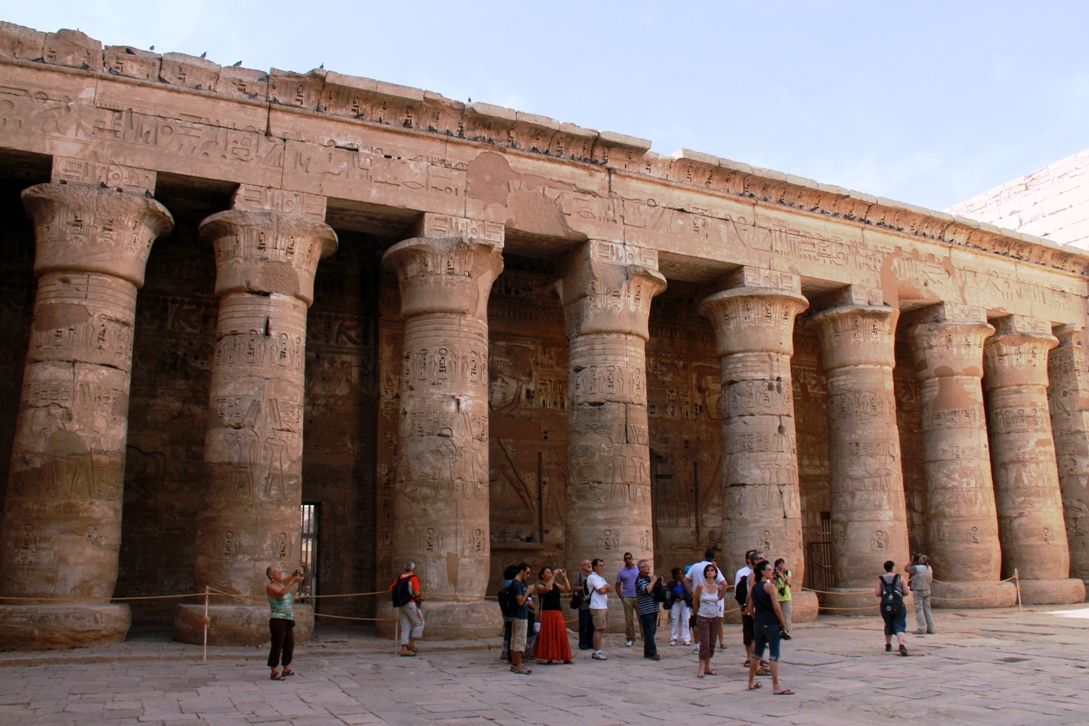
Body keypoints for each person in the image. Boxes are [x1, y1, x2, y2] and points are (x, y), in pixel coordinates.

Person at [746, 559, 794, 695]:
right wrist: (782, 622)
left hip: (759, 623)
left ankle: (750, 682)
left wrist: (757, 619)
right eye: (768, 569)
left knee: (757, 653)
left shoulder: (754, 588)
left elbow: (750, 608)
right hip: (771, 623)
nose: (771, 571)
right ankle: (776, 686)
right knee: (774, 655)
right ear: (762, 572)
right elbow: (776, 606)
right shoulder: (770, 587)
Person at [266, 563, 304, 681]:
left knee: (289, 644)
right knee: (277, 645)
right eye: (277, 572)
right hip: (278, 620)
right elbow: (281, 593)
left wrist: (296, 572)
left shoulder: (281, 584)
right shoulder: (270, 587)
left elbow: (290, 577)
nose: (280, 574)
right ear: (271, 575)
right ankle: (273, 670)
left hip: (287, 619)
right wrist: (293, 583)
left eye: (280, 572)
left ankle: (286, 667)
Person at [684, 548, 725, 656]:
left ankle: (697, 645)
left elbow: (685, 580)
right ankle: (705, 645)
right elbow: (724, 583)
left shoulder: (695, 566)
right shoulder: (714, 568)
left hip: (698, 597)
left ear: (704, 556)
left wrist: (691, 593)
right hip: (710, 597)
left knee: (697, 622)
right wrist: (720, 597)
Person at [693, 563, 727, 678]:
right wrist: (697, 613)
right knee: (705, 642)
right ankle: (701, 668)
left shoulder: (718, 587)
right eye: (708, 570)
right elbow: (695, 600)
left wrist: (722, 590)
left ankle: (707, 667)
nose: (710, 572)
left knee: (712, 642)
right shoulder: (701, 586)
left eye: (712, 570)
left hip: (714, 617)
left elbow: (724, 588)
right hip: (703, 617)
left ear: (716, 573)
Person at [533, 566, 573, 665]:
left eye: (551, 572)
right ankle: (549, 656)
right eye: (547, 573)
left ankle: (565, 656)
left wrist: (564, 577)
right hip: (546, 612)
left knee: (560, 633)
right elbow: (547, 589)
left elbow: (567, 588)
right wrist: (554, 576)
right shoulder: (540, 586)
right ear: (542, 575)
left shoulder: (556, 585)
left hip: (557, 612)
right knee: (548, 634)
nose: (550, 574)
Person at [735, 549, 767, 670]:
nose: (763, 560)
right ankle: (755, 662)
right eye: (761, 558)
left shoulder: (762, 575)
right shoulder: (753, 576)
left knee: (761, 636)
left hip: (761, 609)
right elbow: (750, 595)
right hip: (754, 609)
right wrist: (748, 609)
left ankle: (759, 660)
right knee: (753, 636)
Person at [875, 559, 910, 656]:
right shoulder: (900, 577)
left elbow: (877, 593)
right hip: (898, 604)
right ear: (893, 568)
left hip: (886, 605)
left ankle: (888, 645)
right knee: (900, 623)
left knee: (888, 623)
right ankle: (901, 645)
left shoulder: (880, 579)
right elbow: (906, 592)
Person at [390, 562, 424, 657]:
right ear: (413, 569)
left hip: (401, 605)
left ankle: (403, 649)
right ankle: (411, 643)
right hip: (411, 604)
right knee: (420, 623)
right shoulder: (413, 578)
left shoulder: (399, 578)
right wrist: (419, 594)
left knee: (405, 627)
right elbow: (417, 593)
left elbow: (391, 589)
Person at [634, 559, 662, 660]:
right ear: (641, 569)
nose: (648, 568)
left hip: (652, 608)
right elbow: (646, 590)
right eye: (646, 566)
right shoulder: (640, 580)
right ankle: (652, 653)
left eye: (649, 566)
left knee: (651, 631)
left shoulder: (647, 579)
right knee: (649, 632)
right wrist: (653, 582)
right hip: (646, 610)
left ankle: (648, 652)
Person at [509, 563, 533, 674]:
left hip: (517, 615)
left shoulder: (517, 583)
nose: (528, 575)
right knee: (520, 640)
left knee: (515, 640)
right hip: (520, 615)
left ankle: (514, 663)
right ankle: (519, 664)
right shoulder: (517, 584)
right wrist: (528, 591)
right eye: (527, 573)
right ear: (522, 571)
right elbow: (520, 601)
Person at [614, 552, 640, 647]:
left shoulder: (638, 569)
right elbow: (617, 585)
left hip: (638, 597)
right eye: (626, 559)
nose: (628, 560)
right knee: (629, 619)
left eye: (629, 558)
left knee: (641, 618)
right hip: (627, 597)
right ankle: (630, 638)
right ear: (624, 560)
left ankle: (645, 637)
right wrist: (622, 597)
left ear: (632, 559)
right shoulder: (621, 572)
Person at [586, 558, 610, 660]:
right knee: (598, 629)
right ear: (594, 567)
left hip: (603, 606)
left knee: (601, 629)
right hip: (597, 607)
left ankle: (598, 650)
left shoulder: (601, 578)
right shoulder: (592, 577)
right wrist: (605, 588)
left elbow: (610, 588)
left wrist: (606, 588)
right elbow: (601, 590)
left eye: (603, 565)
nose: (602, 567)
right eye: (600, 565)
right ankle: (596, 652)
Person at [905, 553, 934, 635]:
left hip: (918, 590)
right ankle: (930, 628)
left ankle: (921, 629)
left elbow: (906, 568)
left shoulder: (916, 568)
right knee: (927, 609)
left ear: (920, 560)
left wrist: (912, 561)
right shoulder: (929, 568)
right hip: (927, 589)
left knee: (919, 609)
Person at [571, 559, 595, 651]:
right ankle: (583, 642)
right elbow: (574, 587)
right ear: (582, 566)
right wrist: (585, 588)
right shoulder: (579, 575)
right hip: (584, 604)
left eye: (589, 564)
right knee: (583, 624)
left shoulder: (593, 575)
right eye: (586, 564)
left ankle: (590, 642)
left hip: (593, 604)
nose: (589, 565)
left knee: (591, 625)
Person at [499, 563, 519, 662]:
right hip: (511, 613)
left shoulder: (507, 583)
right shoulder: (511, 584)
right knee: (512, 635)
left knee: (510, 634)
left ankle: (511, 656)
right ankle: (511, 657)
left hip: (508, 613)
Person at [668, 567, 692, 646]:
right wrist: (677, 596)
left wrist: (683, 596)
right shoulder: (671, 584)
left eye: (682, 573)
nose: (681, 575)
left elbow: (689, 592)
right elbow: (670, 593)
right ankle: (674, 638)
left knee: (686, 620)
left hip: (684, 602)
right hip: (675, 602)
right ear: (675, 575)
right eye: (679, 573)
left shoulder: (685, 583)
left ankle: (686, 638)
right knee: (675, 620)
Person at [773, 558, 793, 634]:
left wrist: (781, 575)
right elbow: (773, 584)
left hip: (786, 596)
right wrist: (775, 576)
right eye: (780, 564)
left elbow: (788, 582)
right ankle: (779, 630)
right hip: (777, 597)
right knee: (778, 615)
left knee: (786, 614)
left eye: (783, 563)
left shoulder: (788, 573)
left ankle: (787, 631)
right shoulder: (775, 574)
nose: (782, 565)